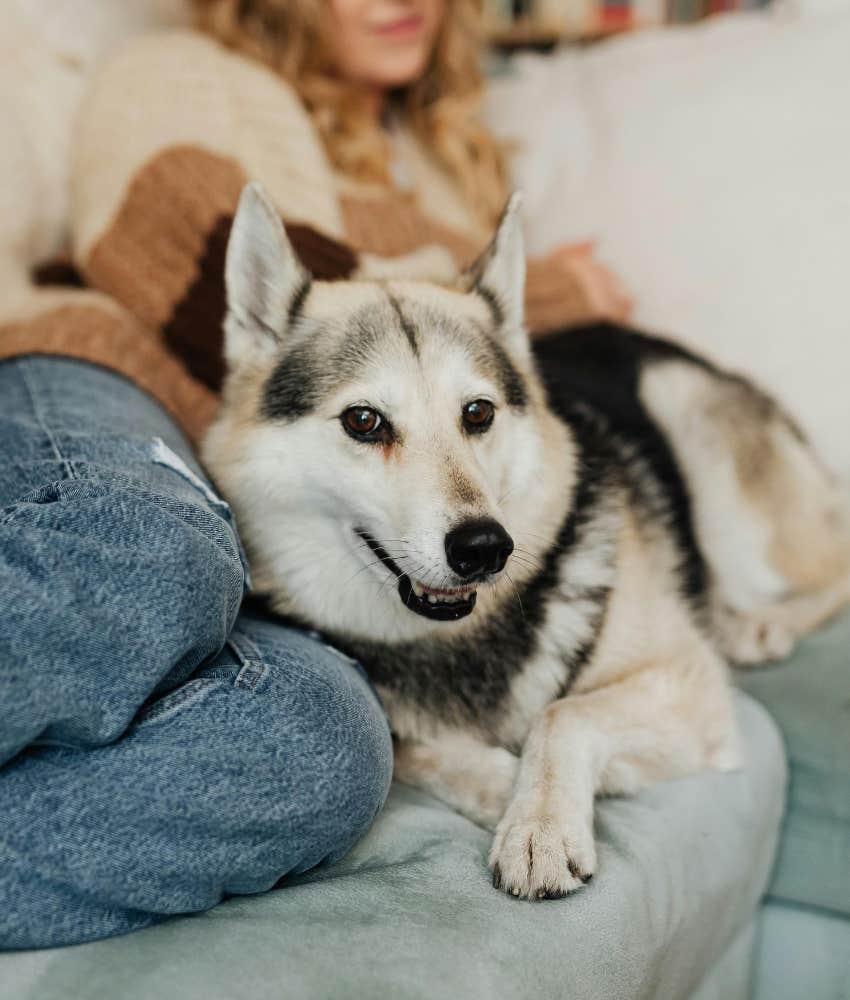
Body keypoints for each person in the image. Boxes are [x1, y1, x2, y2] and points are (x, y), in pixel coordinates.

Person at [0, 0, 629, 950]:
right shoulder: (185, 70)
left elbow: (436, 364)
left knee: (329, 746)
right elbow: (181, 247)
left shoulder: (445, 162)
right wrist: (525, 299)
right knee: (148, 562)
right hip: (108, 378)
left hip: (282, 518)